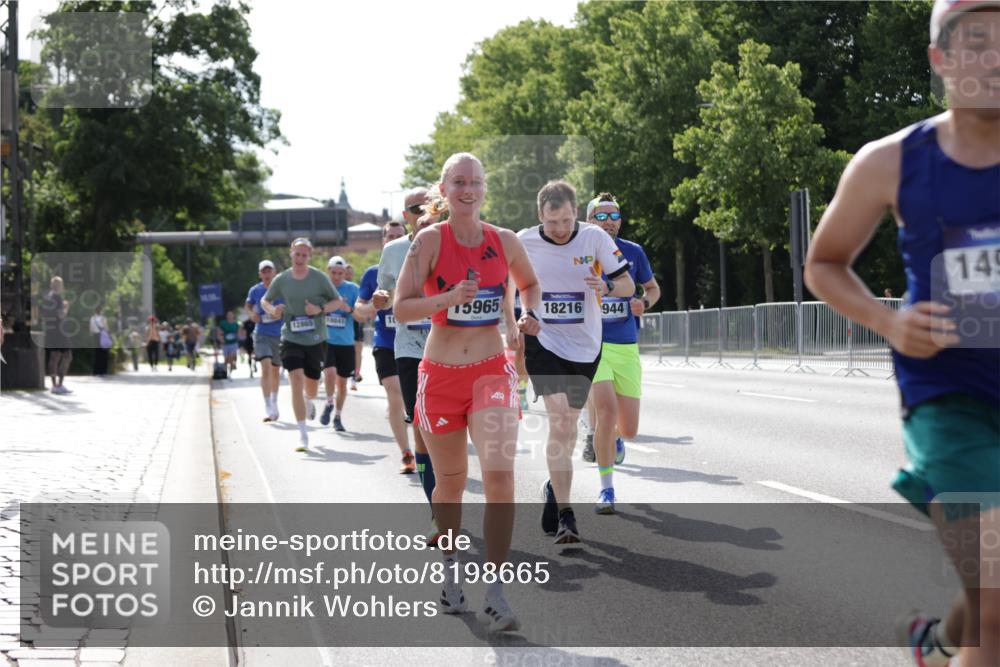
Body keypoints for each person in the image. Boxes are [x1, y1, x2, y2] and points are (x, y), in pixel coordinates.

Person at [805, 3, 999, 665]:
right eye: (977, 41)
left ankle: (937, 644)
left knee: (989, 601)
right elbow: (823, 262)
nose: (995, 56)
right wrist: (888, 320)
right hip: (950, 403)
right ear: (940, 58)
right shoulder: (889, 161)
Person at [395, 152, 540, 633]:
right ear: (444, 188)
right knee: (450, 483)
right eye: (459, 181)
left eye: (475, 181)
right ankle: (451, 575)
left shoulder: (506, 241)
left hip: (490, 373)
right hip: (439, 376)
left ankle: (496, 595)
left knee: (500, 479)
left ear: (484, 188)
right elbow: (402, 309)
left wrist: (524, 313)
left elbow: (531, 283)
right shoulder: (428, 242)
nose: (468, 189)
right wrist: (448, 299)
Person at [516, 180, 633, 544]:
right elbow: (510, 288)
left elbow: (628, 284)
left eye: (566, 220)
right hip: (544, 341)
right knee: (562, 422)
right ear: (540, 217)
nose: (561, 229)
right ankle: (568, 516)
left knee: (565, 431)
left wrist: (608, 288)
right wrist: (521, 318)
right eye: (552, 223)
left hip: (585, 347)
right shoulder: (523, 242)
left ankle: (555, 484)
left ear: (575, 212)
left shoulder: (595, 239)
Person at [579, 193, 660, 514]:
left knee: (628, 429)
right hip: (591, 344)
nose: (609, 221)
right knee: (605, 411)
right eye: (601, 216)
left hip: (625, 345)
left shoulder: (633, 252)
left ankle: (613, 439)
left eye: (615, 215)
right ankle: (607, 489)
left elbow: (652, 289)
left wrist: (645, 302)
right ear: (589, 219)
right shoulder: (578, 251)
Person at [375, 188, 439, 526]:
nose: (423, 212)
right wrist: (381, 296)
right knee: (421, 424)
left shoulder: (455, 241)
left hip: (451, 346)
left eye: (430, 206)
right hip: (410, 348)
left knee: (448, 427)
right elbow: (385, 294)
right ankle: (436, 508)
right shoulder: (394, 250)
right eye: (416, 208)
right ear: (406, 216)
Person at [261, 238, 347, 452]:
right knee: (295, 380)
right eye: (296, 254)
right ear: (291, 254)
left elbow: (337, 302)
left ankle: (309, 400)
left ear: (309, 256)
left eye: (304, 255)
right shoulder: (282, 279)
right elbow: (265, 300)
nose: (299, 258)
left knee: (310, 385)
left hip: (316, 339)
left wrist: (319, 309)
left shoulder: (318, 278)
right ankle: (303, 435)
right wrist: (272, 311)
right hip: (290, 337)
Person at [355, 219, 415, 473]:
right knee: (394, 393)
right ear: (383, 241)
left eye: (398, 236)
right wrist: (375, 305)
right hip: (387, 343)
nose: (393, 240)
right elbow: (358, 311)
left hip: (417, 343)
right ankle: (406, 453)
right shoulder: (372, 274)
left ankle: (426, 447)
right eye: (389, 236)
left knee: (419, 403)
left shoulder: (418, 265)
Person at [319, 256, 359, 432]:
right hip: (326, 340)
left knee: (342, 383)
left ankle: (337, 416)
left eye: (340, 273)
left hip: (346, 342)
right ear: (329, 272)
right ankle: (329, 402)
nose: (336, 277)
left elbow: (361, 316)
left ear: (345, 273)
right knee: (329, 372)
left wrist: (348, 309)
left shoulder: (353, 290)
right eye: (333, 273)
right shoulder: (321, 289)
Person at [246, 260, 283, 421]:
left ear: (274, 272)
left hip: (279, 334)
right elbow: (248, 305)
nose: (267, 275)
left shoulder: (281, 289)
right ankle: (267, 405)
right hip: (261, 333)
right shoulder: (255, 290)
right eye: (264, 272)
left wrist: (279, 312)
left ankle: (274, 401)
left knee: (275, 370)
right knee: (266, 367)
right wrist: (252, 315)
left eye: (269, 271)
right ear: (260, 274)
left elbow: (286, 308)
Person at [39, 276, 73, 394]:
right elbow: (61, 315)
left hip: (50, 330)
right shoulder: (57, 298)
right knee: (67, 356)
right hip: (59, 331)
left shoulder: (47, 297)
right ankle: (59, 384)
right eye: (61, 285)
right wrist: (66, 307)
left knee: (54, 356)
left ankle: (54, 385)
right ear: (59, 286)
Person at [346, 262, 365, 390]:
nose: (348, 275)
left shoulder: (357, 289)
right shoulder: (334, 288)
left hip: (355, 322)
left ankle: (355, 375)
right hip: (341, 325)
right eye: (346, 272)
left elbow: (363, 304)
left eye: (350, 273)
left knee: (357, 350)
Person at [218, 310, 241, 374]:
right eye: (228, 315)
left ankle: (231, 368)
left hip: (233, 343)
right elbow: (219, 332)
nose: (230, 316)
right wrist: (221, 339)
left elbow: (238, 333)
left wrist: (238, 337)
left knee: (231, 356)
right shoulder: (223, 323)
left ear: (233, 316)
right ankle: (226, 367)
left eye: (231, 315)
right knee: (226, 358)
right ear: (226, 316)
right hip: (225, 343)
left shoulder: (236, 324)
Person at [89, 306, 110, 375]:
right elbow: (106, 328)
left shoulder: (93, 318)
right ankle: (103, 371)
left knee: (96, 354)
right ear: (101, 311)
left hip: (96, 336)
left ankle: (96, 371)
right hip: (102, 336)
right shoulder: (103, 318)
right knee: (103, 354)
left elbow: (91, 329)